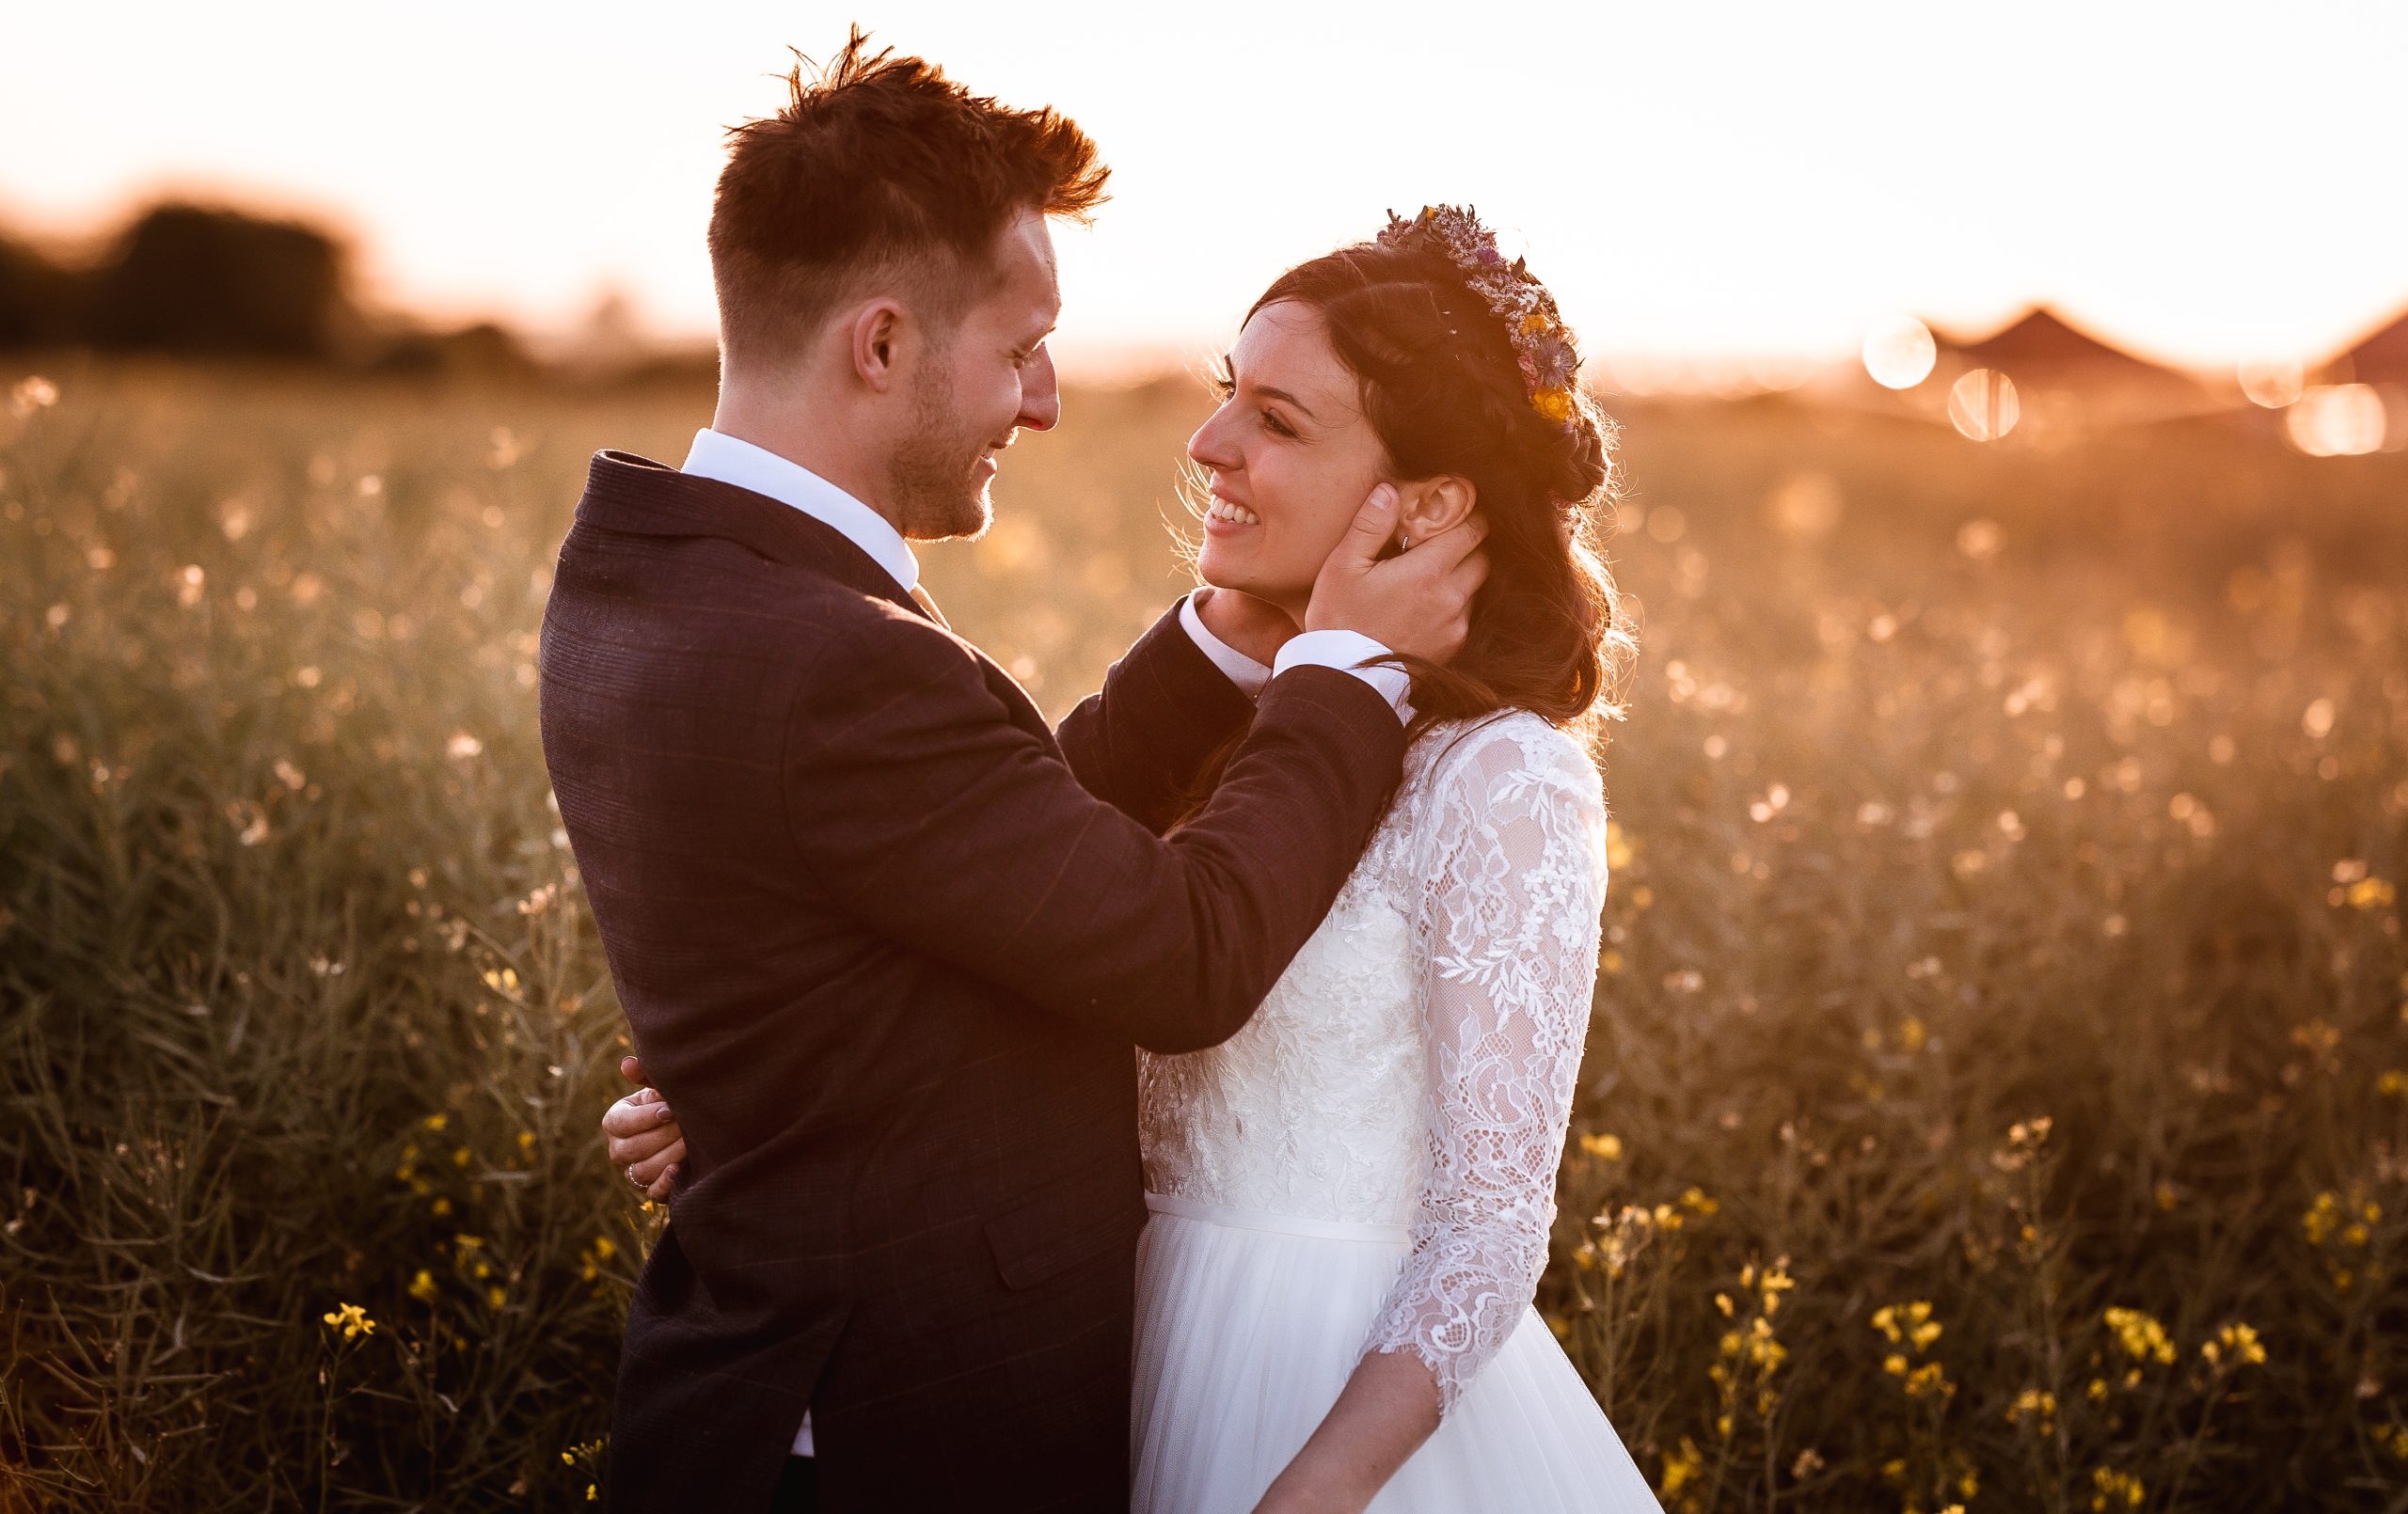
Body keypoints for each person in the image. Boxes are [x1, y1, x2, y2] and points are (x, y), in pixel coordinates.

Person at [540, 33, 1486, 1514]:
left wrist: (1225, 644)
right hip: (891, 1436)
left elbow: (976, 844)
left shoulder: (652, 577)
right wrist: (1341, 672)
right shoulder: (830, 656)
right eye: (1020, 347)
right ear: (882, 344)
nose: (1043, 401)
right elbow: (1182, 952)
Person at [611, 205, 1664, 1512]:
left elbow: (1489, 1231)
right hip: (1122, 1366)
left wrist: (1310, 1495)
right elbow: (1030, 941)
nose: (1209, 442)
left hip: (1326, 1410)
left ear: (1430, 505)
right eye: (1231, 395)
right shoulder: (1252, 730)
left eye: (1278, 421)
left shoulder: (1506, 775)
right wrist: (781, 1096)